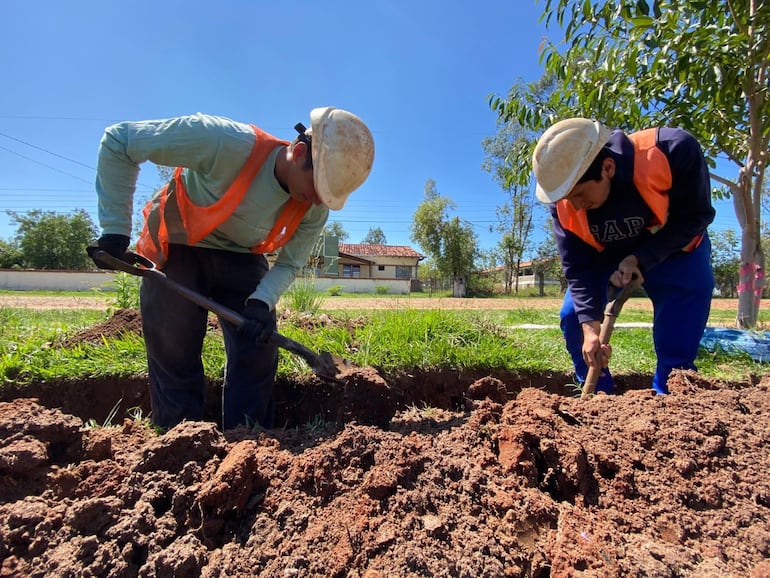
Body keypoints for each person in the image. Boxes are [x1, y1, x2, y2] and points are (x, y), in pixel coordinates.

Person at [89, 108, 374, 430]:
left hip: (242, 257)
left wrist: (261, 301)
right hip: (179, 248)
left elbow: (291, 262)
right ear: (298, 152)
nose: (320, 201)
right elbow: (120, 140)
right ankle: (179, 443)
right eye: (319, 186)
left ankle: (249, 443)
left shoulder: (313, 206)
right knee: (175, 353)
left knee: (257, 355)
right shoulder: (224, 142)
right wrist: (114, 231)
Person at [532, 117, 715, 394]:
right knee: (574, 317)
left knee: (678, 341)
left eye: (579, 194)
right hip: (605, 259)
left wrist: (642, 258)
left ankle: (672, 399)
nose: (575, 205)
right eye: (567, 199)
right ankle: (600, 398)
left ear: (607, 168)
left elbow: (696, 216)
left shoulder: (671, 150)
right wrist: (590, 329)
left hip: (675, 252)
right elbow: (578, 267)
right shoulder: (565, 205)